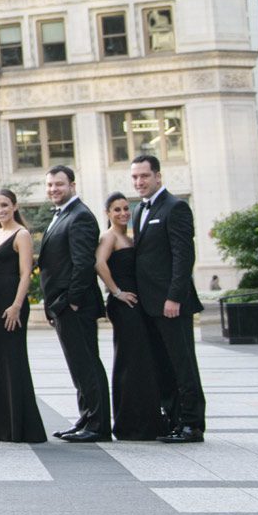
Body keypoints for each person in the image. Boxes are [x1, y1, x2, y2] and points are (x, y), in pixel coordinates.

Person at [130, 154, 205, 442]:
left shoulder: (176, 207)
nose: (139, 182)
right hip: (149, 306)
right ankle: (174, 419)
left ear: (158, 177)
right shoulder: (139, 210)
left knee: (183, 365)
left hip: (172, 304)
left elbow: (183, 257)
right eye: (135, 177)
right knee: (163, 365)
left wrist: (174, 297)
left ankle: (192, 424)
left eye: (144, 176)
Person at [39, 166, 110, 443]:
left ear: (72, 185)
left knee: (87, 364)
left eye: (59, 184)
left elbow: (83, 264)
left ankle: (98, 425)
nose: (54, 189)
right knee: (78, 365)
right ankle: (87, 418)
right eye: (50, 185)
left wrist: (72, 302)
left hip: (74, 306)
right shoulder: (63, 215)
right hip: (63, 306)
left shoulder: (79, 216)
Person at [94, 193, 165, 441]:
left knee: (142, 362)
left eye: (126, 208)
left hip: (138, 305)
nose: (123, 213)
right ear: (108, 213)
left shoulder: (130, 237)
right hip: (124, 306)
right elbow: (100, 264)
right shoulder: (109, 236)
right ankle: (129, 424)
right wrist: (116, 292)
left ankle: (147, 421)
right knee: (130, 362)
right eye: (117, 210)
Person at [0, 188, 46, 443]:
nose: (0, 210)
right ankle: (2, 427)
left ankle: (22, 427)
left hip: (13, 303)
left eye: (5, 205)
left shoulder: (23, 234)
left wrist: (17, 305)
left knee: (14, 361)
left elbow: (25, 274)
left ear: (15, 206)